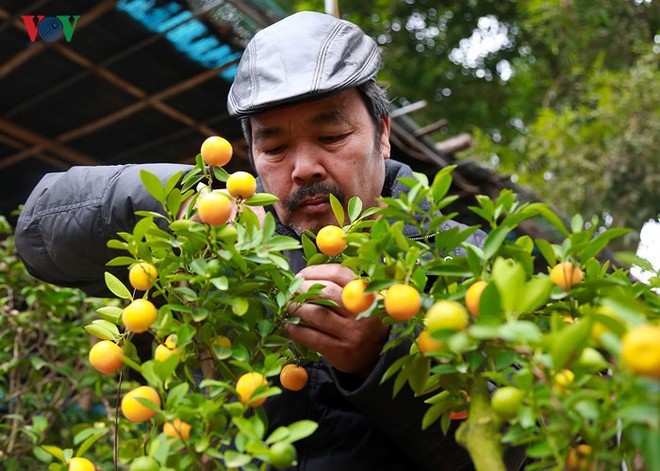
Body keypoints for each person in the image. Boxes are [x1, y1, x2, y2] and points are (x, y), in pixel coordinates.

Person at [15, 11, 524, 471]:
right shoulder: (221, 250)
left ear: (382, 134)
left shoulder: (465, 263)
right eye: (275, 146)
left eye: (331, 138)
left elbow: (523, 451)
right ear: (252, 155)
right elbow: (37, 232)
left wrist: (382, 359)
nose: (304, 168)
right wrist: (179, 199)